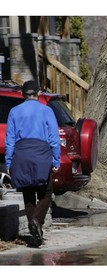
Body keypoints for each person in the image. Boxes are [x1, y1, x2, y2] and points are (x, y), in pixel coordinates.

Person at [5, 80, 60, 247]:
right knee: (46, 193)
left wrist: (8, 162)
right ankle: (36, 221)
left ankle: (35, 231)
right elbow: (54, 139)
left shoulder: (14, 111)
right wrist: (56, 160)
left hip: (21, 154)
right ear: (38, 93)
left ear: (23, 94)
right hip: (42, 154)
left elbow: (10, 140)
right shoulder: (47, 111)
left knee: (28, 194)